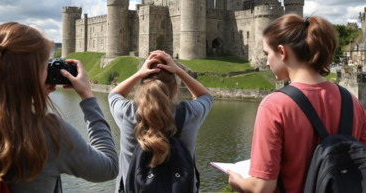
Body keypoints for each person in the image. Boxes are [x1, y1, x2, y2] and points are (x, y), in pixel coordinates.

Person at [0, 22, 118, 192]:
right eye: (46, 66)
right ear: (31, 75)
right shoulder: (50, 132)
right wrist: (88, 97)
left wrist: (33, 91)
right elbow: (108, 168)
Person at [227, 14, 366, 193]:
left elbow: (262, 186)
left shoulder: (274, 105)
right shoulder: (353, 102)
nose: (267, 62)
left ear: (282, 52)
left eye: (267, 54)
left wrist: (237, 180)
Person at [108, 50, 213, 193]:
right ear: (176, 89)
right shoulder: (189, 113)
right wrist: (178, 70)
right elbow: (205, 96)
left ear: (142, 87)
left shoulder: (128, 113)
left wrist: (139, 73)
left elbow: (114, 95)